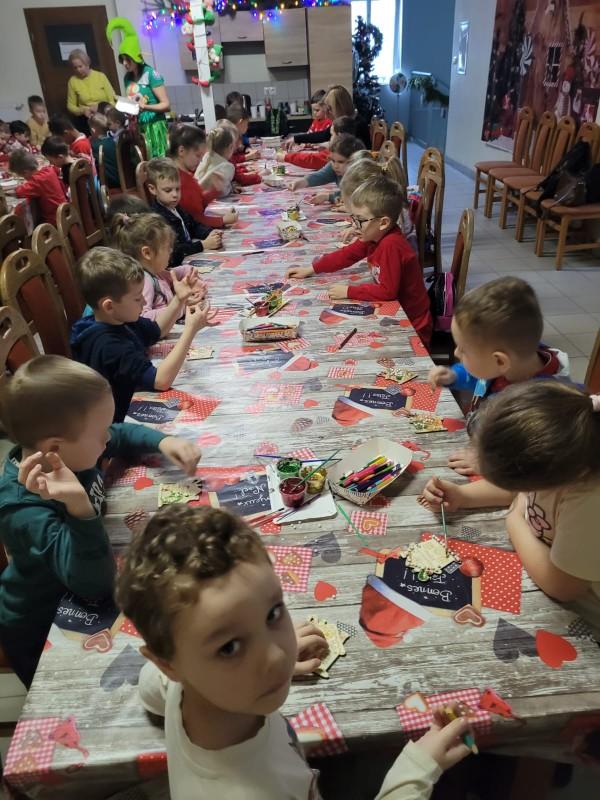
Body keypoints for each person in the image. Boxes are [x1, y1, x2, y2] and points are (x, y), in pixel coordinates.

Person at [117, 504, 472, 800]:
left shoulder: (182, 680)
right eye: (229, 647)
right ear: (168, 662)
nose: (275, 656)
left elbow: (151, 686)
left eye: (273, 613)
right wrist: (415, 771)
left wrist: (252, 640)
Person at [0, 355, 201, 688]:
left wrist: (163, 441)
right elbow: (92, 583)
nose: (107, 439)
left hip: (84, 598)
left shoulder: (69, 452)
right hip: (42, 625)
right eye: (99, 434)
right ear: (54, 448)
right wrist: (80, 508)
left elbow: (118, 433)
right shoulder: (24, 509)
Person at [421, 381, 600, 641]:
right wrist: (463, 496)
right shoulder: (565, 461)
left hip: (584, 619)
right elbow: (521, 491)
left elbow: (562, 586)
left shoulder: (589, 502)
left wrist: (514, 520)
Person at [428, 277, 570, 475]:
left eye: (463, 349)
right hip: (481, 436)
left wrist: (486, 463)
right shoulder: (512, 361)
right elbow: (479, 376)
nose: (456, 353)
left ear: (500, 361)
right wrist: (453, 376)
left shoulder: (541, 408)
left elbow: (529, 463)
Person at [71, 247, 216, 423]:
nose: (145, 301)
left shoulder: (119, 319)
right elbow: (161, 381)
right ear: (109, 306)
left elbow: (157, 330)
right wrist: (190, 330)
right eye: (137, 298)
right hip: (112, 426)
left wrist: (179, 299)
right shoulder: (109, 345)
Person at [287, 174, 433, 345]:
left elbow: (387, 292)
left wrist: (349, 291)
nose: (355, 225)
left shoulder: (391, 245)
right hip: (397, 313)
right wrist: (311, 269)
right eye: (353, 218)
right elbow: (346, 255)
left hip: (413, 324)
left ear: (383, 222)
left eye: (360, 220)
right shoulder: (375, 235)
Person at [110, 211, 206, 323]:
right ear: (147, 253)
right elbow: (143, 318)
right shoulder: (144, 281)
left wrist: (191, 274)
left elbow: (174, 273)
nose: (171, 250)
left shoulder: (156, 271)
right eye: (167, 247)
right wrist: (181, 308)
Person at [106, 17, 170, 158]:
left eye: (128, 59)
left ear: (136, 57)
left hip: (154, 127)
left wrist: (146, 107)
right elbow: (133, 103)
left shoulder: (151, 74)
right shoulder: (127, 78)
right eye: (122, 59)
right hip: (138, 129)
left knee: (158, 161)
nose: (125, 63)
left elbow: (166, 105)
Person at [146, 158, 223, 266]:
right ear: (152, 189)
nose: (175, 194)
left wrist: (209, 232)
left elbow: (193, 225)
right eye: (168, 190)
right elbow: (174, 251)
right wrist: (203, 245)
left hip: (190, 258)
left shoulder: (176, 207)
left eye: (177, 189)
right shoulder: (157, 219)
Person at [339, 153, 414, 250]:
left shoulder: (396, 220)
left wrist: (361, 238)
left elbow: (378, 245)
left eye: (359, 218)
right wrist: (357, 228)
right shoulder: (383, 209)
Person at [169, 124, 238, 229]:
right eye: (198, 155)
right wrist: (222, 220)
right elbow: (195, 220)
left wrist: (215, 190)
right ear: (181, 151)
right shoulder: (178, 181)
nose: (201, 160)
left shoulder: (186, 175)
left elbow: (198, 203)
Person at [289, 134, 365, 204]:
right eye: (333, 160)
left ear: (355, 161)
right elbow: (321, 176)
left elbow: (355, 199)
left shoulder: (362, 175)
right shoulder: (335, 167)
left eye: (341, 162)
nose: (335, 166)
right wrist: (300, 182)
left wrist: (329, 197)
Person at [277, 116, 358, 172]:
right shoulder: (353, 146)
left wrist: (286, 157)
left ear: (339, 135)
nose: (330, 138)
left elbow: (312, 160)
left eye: (332, 135)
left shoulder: (338, 152)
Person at [9, 150, 67, 225]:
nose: (25, 179)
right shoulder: (49, 170)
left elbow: (18, 192)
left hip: (54, 220)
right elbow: (57, 170)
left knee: (19, 215)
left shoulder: (36, 181)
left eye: (23, 176)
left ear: (25, 172)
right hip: (64, 212)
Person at [66, 48, 116, 133]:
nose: (78, 70)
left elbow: (112, 99)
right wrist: (83, 110)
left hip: (105, 116)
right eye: (75, 68)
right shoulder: (72, 81)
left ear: (87, 64)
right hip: (86, 119)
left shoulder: (100, 76)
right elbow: (70, 106)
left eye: (80, 66)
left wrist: (100, 107)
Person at [194, 125, 237, 197]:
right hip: (209, 200)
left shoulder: (206, 157)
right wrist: (230, 189)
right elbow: (222, 191)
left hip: (195, 195)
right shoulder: (227, 166)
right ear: (230, 147)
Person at [89, 113, 119, 189]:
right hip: (122, 179)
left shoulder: (95, 146)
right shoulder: (114, 141)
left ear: (93, 130)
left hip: (110, 184)